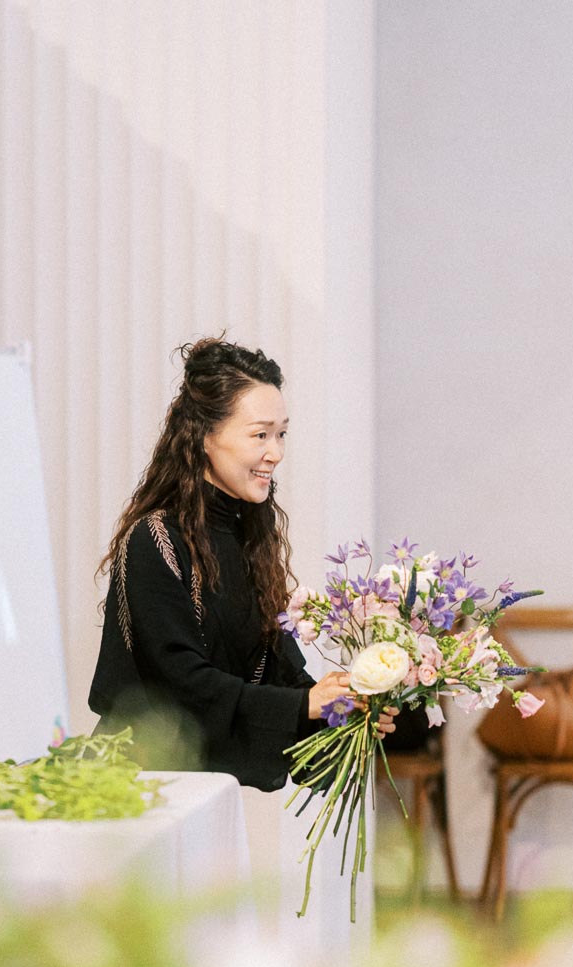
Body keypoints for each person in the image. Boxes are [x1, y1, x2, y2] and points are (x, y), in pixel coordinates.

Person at [89, 336, 395, 788]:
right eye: (260, 435)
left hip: (204, 796)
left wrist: (345, 713)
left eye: (281, 433)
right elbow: (181, 683)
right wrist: (303, 705)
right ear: (206, 436)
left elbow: (280, 670)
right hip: (136, 794)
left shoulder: (249, 541)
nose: (276, 452)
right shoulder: (154, 539)